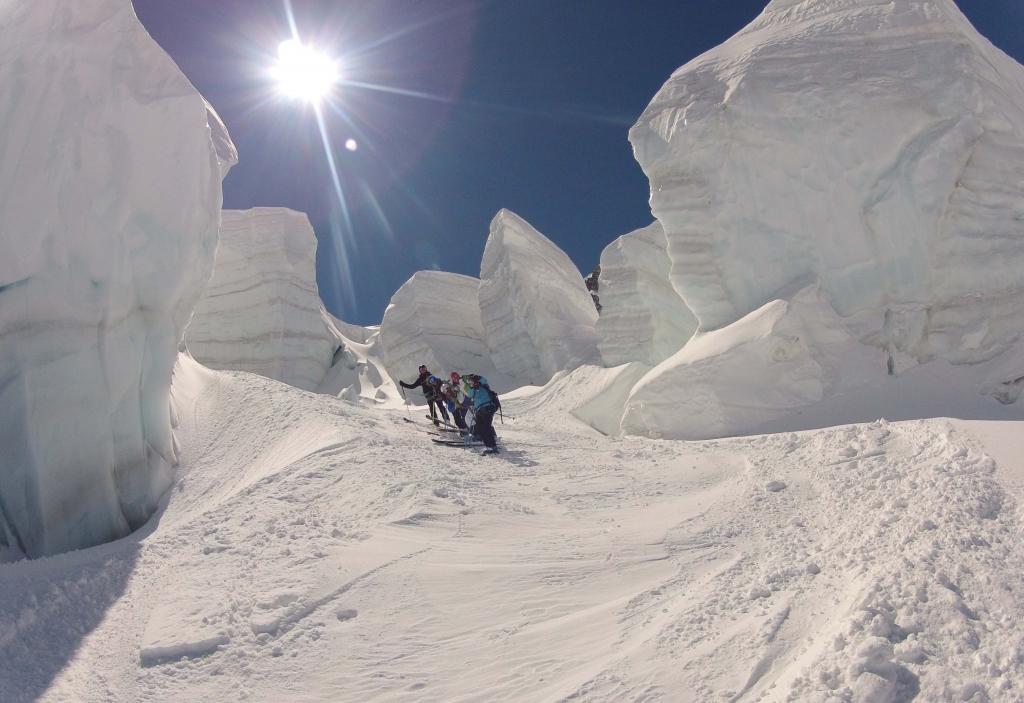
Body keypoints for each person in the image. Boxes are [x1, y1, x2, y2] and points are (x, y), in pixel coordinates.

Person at [464, 373, 500, 454]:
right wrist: (473, 386)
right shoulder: (473, 389)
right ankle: (490, 446)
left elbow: (484, 380)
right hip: (480, 410)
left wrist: (478, 378)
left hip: (487, 408)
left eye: (471, 381)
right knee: (481, 428)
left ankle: (492, 447)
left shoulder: (483, 385)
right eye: (470, 382)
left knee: (485, 428)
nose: (471, 383)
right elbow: (469, 395)